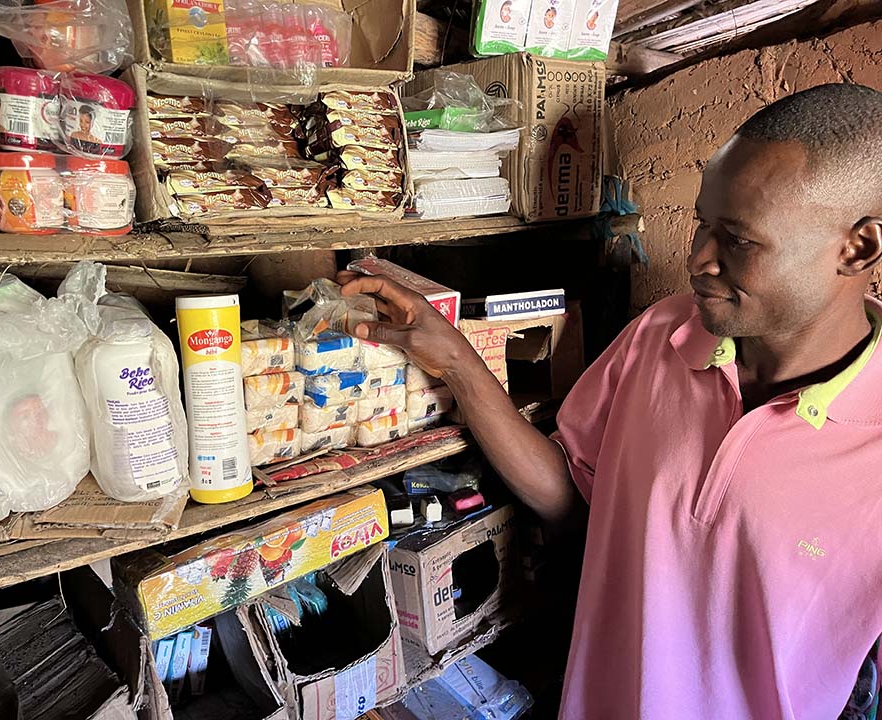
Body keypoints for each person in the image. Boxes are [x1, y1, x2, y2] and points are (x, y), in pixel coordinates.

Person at [338, 83, 882, 718]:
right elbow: (571, 496)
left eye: (737, 239)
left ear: (859, 248)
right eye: (702, 223)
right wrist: (455, 356)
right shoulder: (663, 336)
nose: (698, 258)